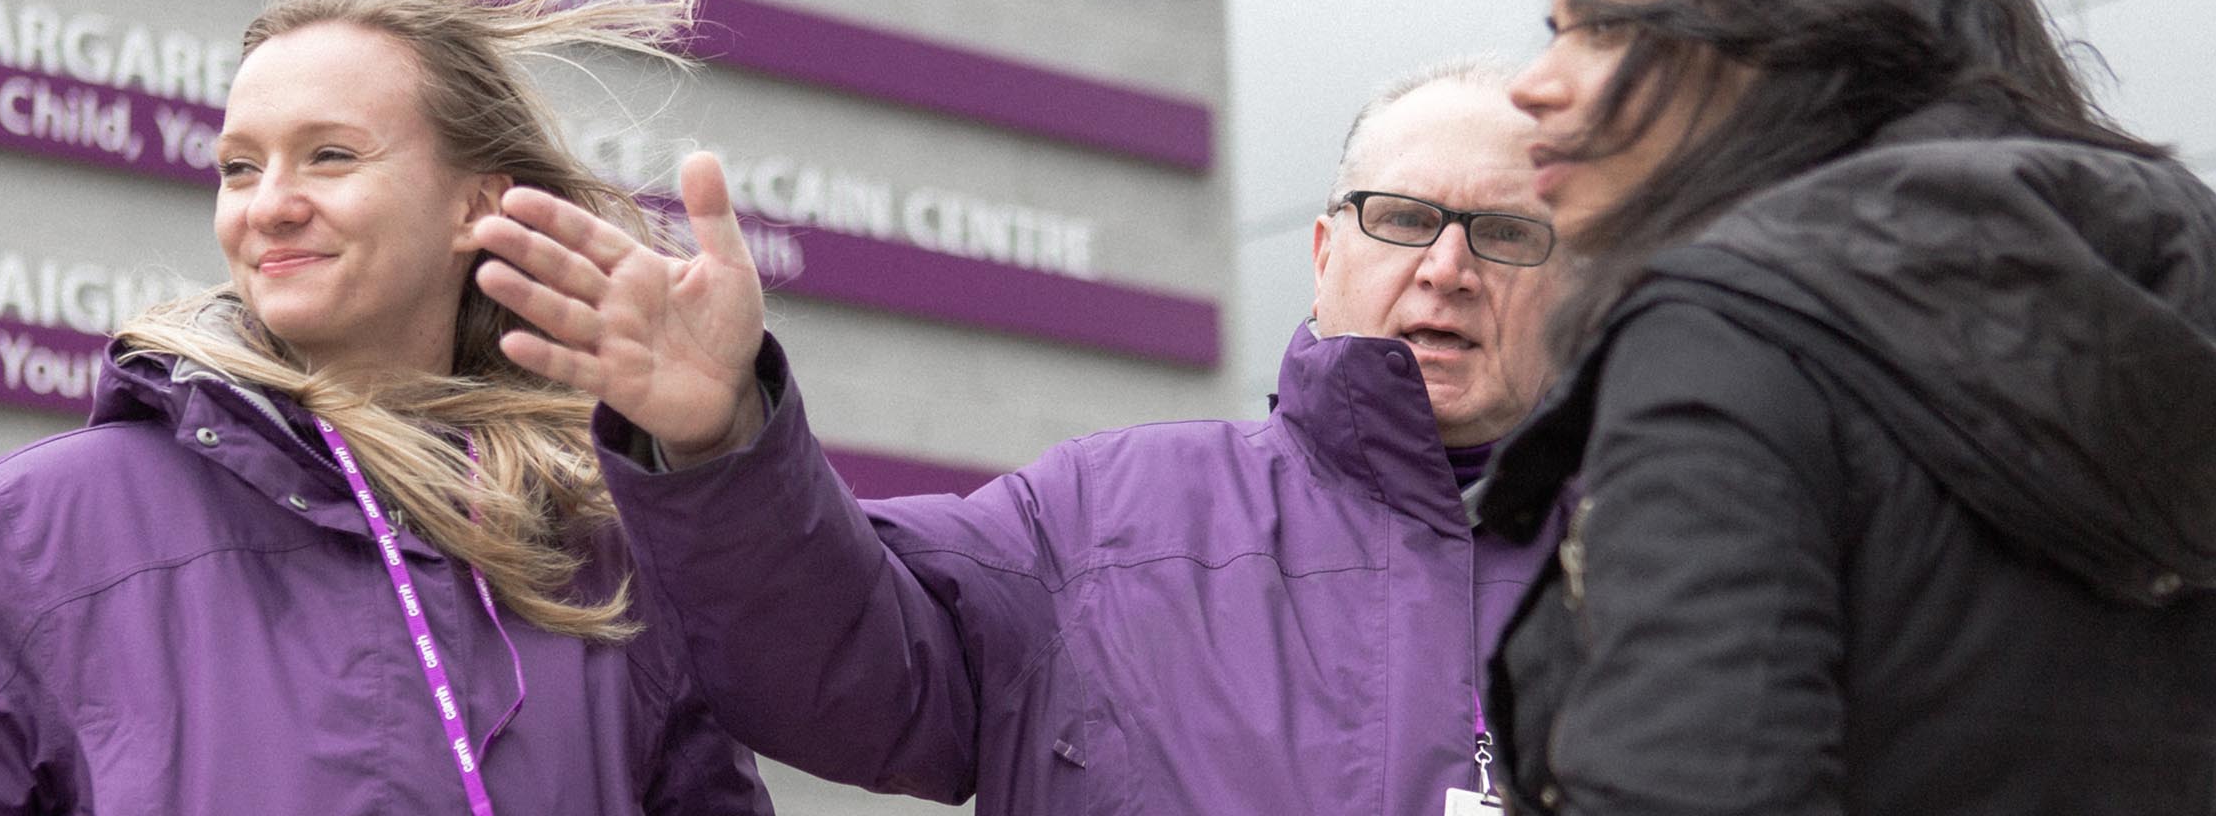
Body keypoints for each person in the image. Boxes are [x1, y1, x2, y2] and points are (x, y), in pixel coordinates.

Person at [0, 0, 776, 815]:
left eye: (330, 156)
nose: (271, 202)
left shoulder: (601, 553)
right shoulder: (38, 527)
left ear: (477, 203)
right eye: (239, 167)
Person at [468, 62, 1572, 813]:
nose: (1448, 267)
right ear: (1326, 254)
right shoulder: (1107, 518)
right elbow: (839, 663)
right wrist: (720, 440)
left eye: (1507, 233)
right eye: (1406, 219)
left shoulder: (1681, 559)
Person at [1471, 0, 2216, 812]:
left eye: (1604, 23)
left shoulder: (1725, 337)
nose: (1532, 84)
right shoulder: (2139, 343)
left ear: (1783, 41)